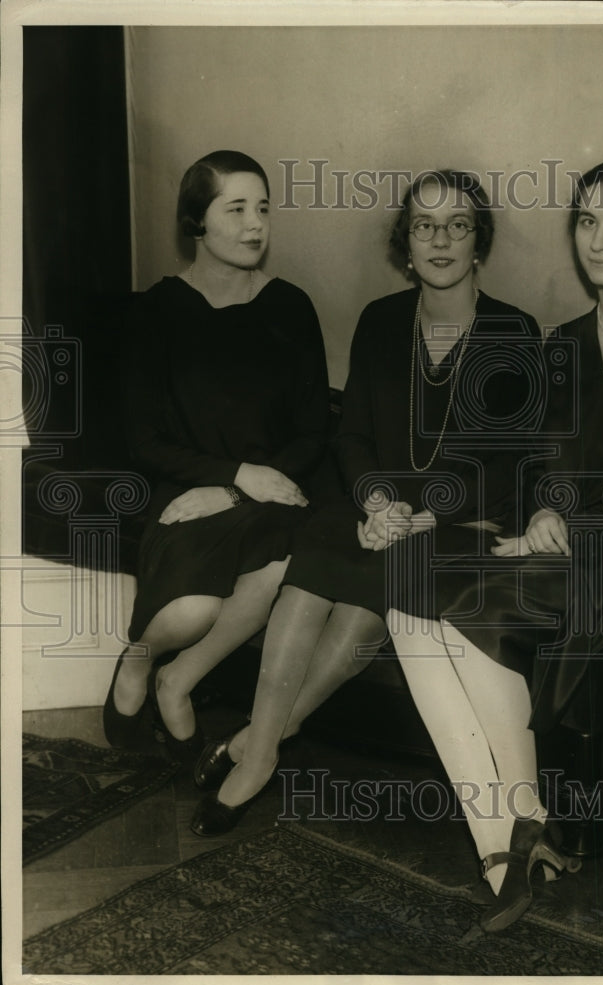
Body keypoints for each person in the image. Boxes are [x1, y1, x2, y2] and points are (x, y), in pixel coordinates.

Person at [387, 155, 603, 932]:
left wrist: (572, 526)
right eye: (587, 221)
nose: (599, 240)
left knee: (468, 611)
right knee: (409, 602)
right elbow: (540, 465)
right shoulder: (564, 343)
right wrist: (543, 513)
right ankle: (514, 830)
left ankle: (505, 850)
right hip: (563, 552)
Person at [189, 168, 541, 835]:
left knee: (367, 602)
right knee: (315, 568)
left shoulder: (513, 332)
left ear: (479, 244)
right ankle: (262, 751)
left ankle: (255, 744)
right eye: (424, 226)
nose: (440, 240)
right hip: (374, 509)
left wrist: (423, 515)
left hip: (453, 521)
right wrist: (378, 502)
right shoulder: (381, 322)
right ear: (405, 244)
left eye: (458, 226)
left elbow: (512, 465)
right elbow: (350, 433)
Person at [103, 150, 330, 762]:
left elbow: (314, 431)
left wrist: (239, 487)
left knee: (286, 559)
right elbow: (145, 441)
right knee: (193, 610)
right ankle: (138, 664)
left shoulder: (290, 306)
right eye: (236, 209)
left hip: (273, 493)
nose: (255, 223)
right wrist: (228, 478)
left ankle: (179, 682)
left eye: (262, 208)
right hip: (181, 487)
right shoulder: (155, 312)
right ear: (196, 221)